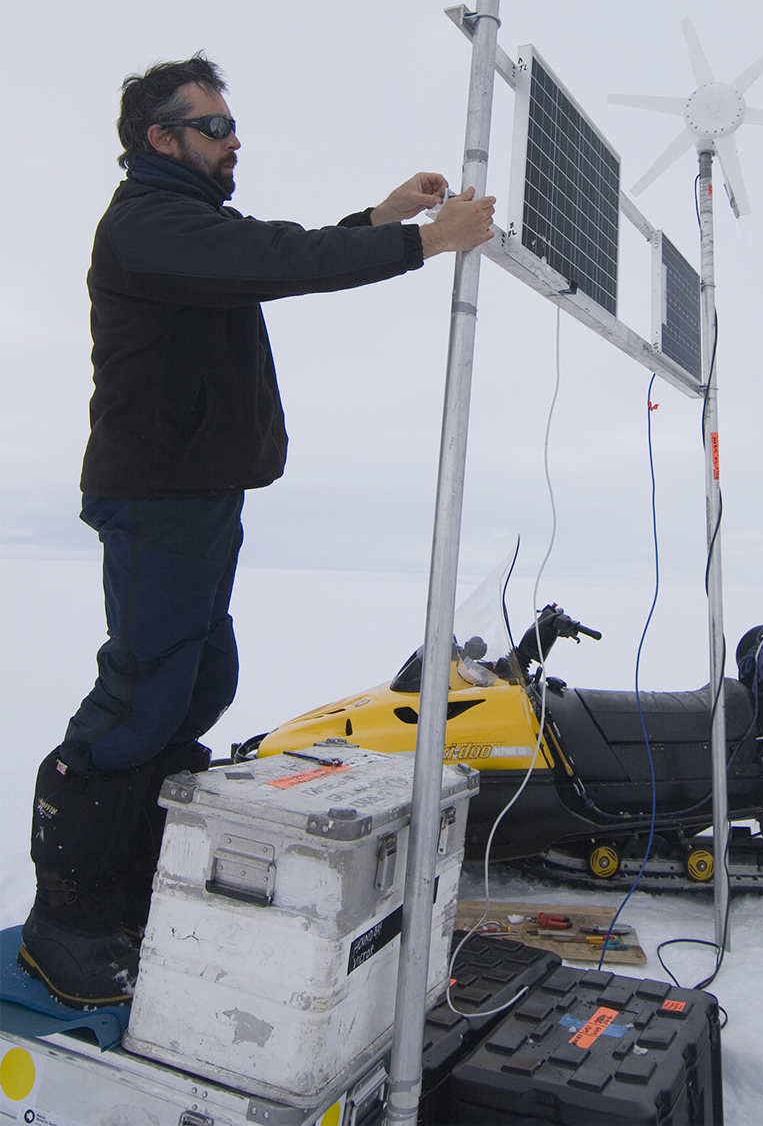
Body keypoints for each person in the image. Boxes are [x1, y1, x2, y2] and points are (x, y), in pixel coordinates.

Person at [19, 54, 495, 1008]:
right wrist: (420, 243)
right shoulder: (147, 222)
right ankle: (64, 920)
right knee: (140, 695)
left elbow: (268, 251)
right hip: (157, 497)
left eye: (231, 124)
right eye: (215, 126)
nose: (234, 139)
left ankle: (133, 880)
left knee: (200, 682)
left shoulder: (189, 224)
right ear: (162, 138)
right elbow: (275, 260)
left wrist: (381, 217)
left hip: (198, 493)